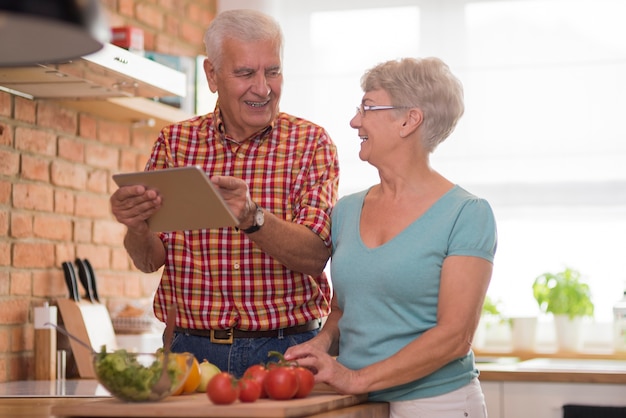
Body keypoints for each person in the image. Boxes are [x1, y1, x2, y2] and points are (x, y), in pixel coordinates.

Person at [109, 9, 339, 378]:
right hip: (188, 351)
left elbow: (315, 255)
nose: (263, 88)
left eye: (273, 71)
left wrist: (253, 218)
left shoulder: (310, 143)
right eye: (246, 73)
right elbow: (150, 259)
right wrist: (137, 227)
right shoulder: (175, 144)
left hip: (286, 351)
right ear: (212, 75)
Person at [284, 57, 497, 418]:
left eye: (367, 107)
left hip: (435, 403)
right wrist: (321, 343)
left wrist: (356, 378)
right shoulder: (346, 210)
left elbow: (454, 337)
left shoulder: (467, 213)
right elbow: (343, 309)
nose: (354, 121)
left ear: (408, 120)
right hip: (358, 402)